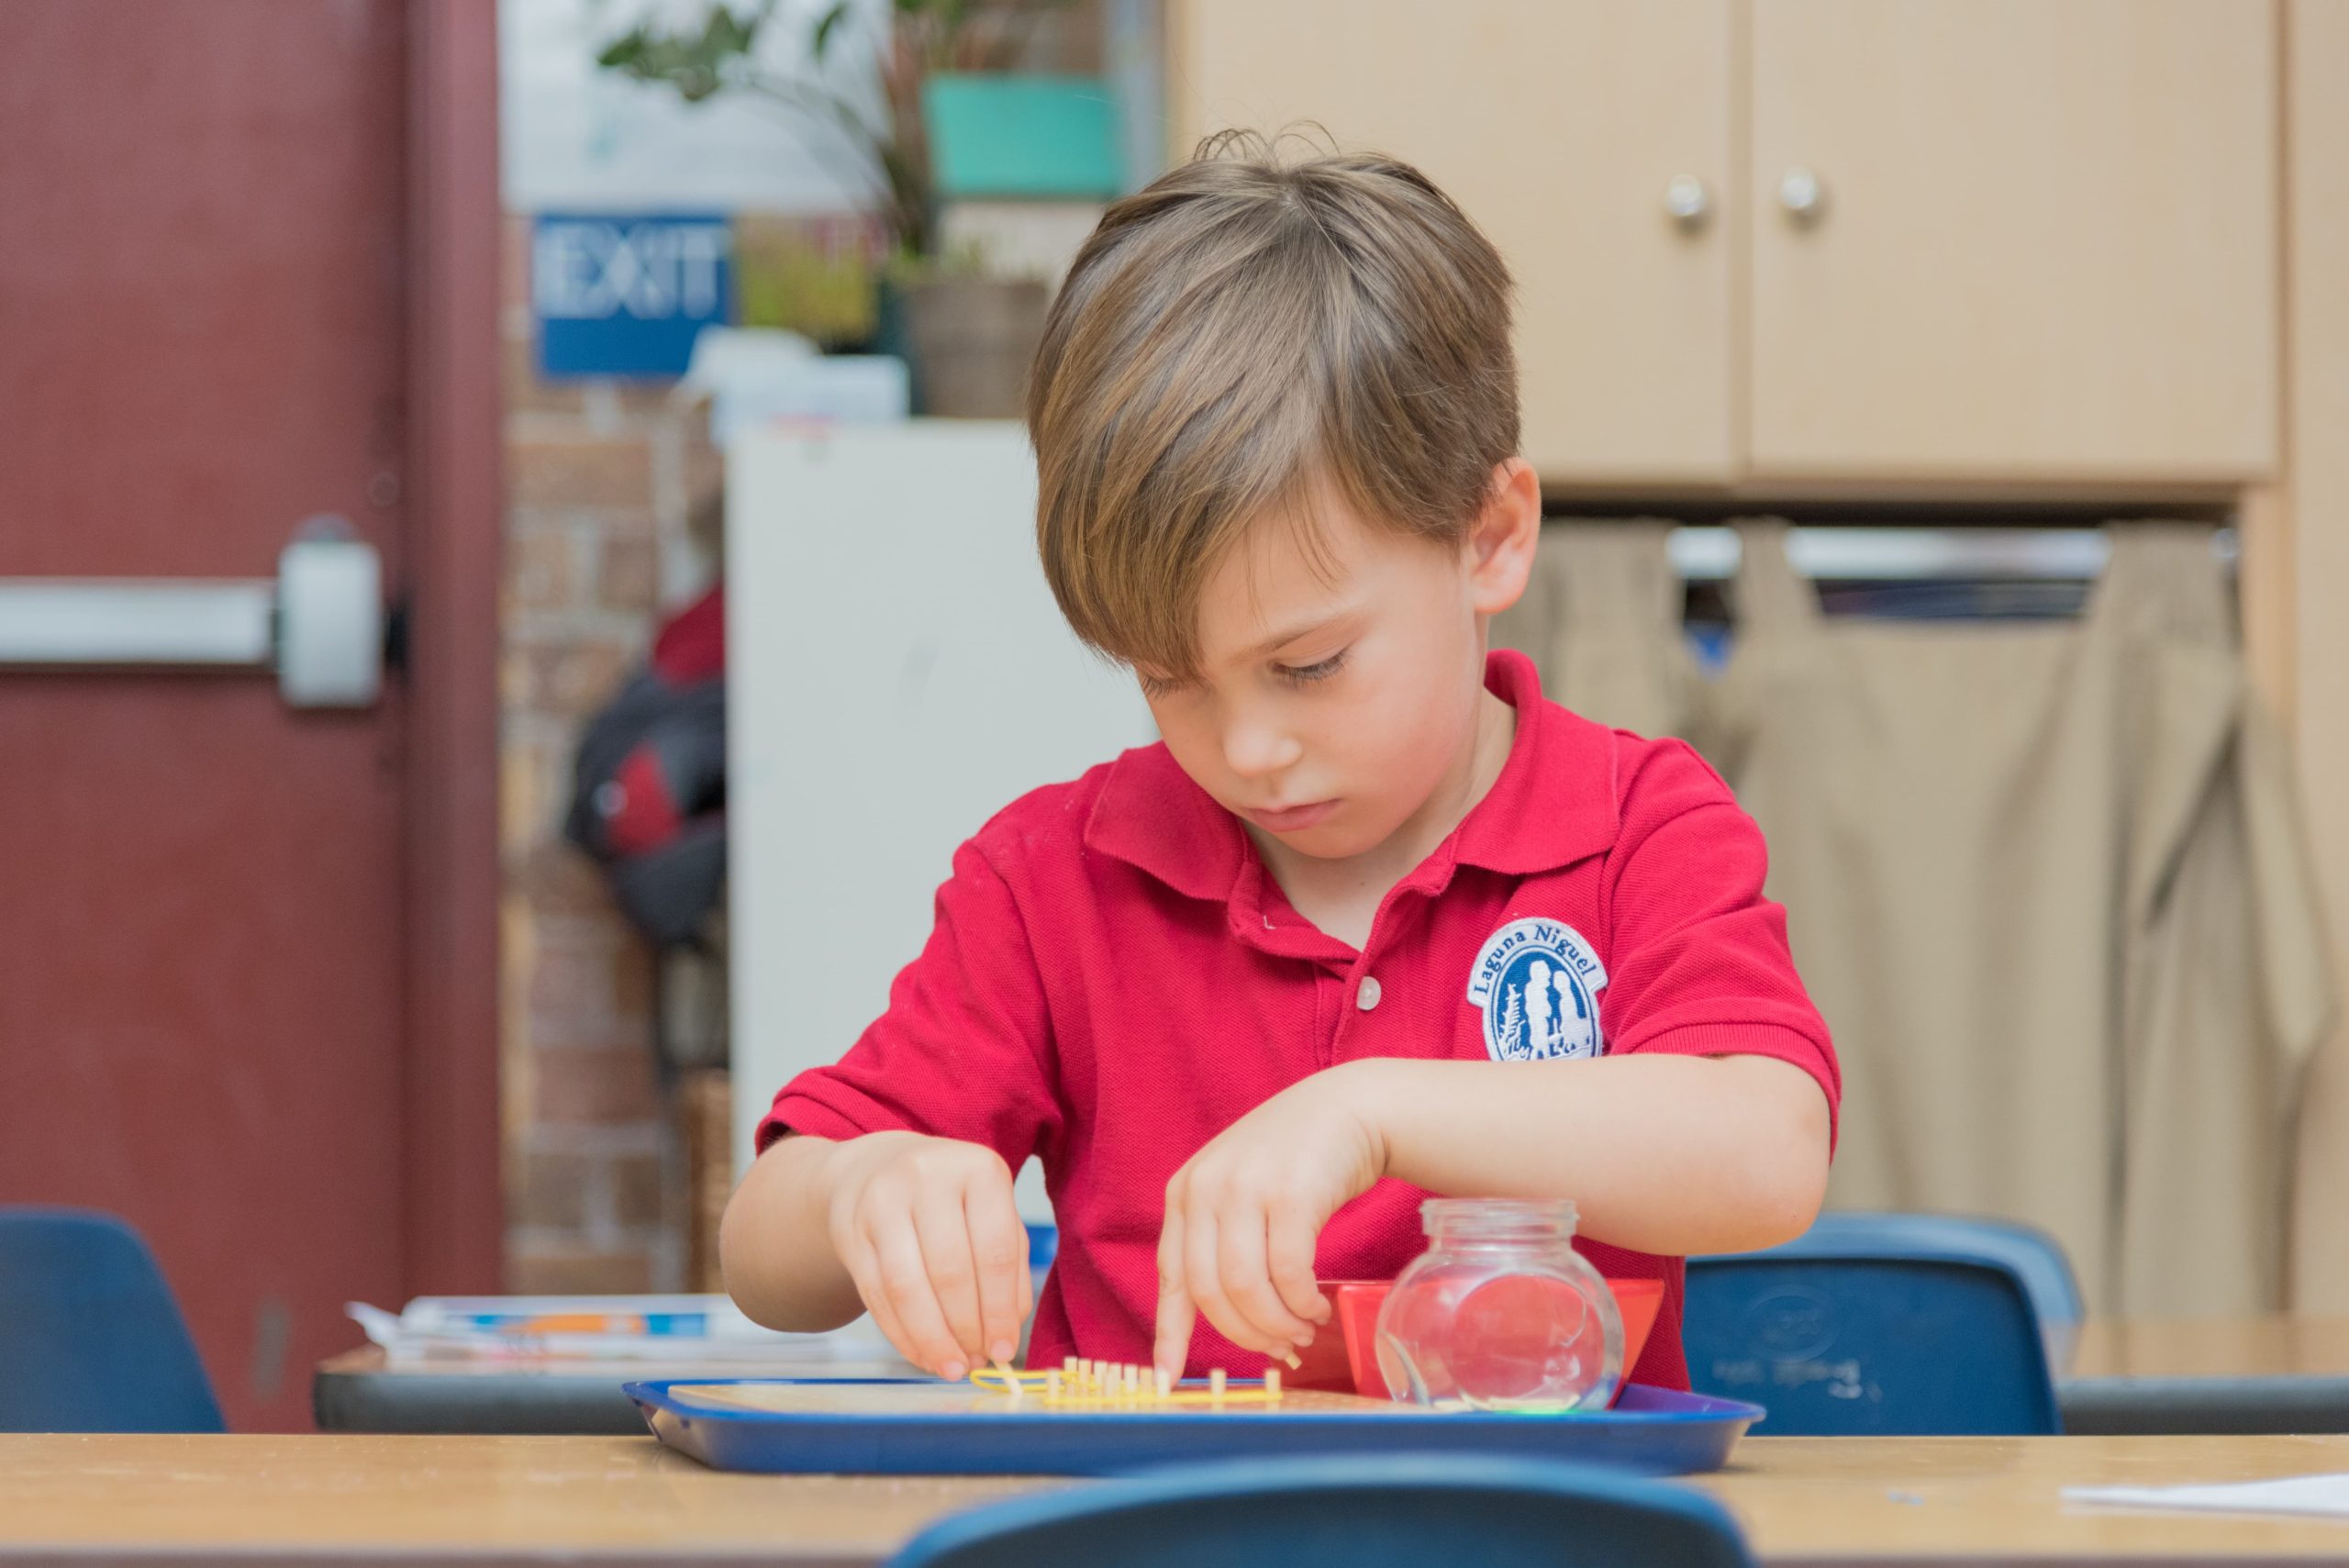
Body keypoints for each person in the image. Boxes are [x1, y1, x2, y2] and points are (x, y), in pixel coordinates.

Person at [719, 135, 1838, 1391]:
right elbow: (762, 1249)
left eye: (1307, 665)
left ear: (1491, 537)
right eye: (1170, 679)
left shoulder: (1634, 823)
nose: (1247, 750)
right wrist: (864, 1185)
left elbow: (1768, 1149)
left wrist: (1372, 1113)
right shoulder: (1053, 879)